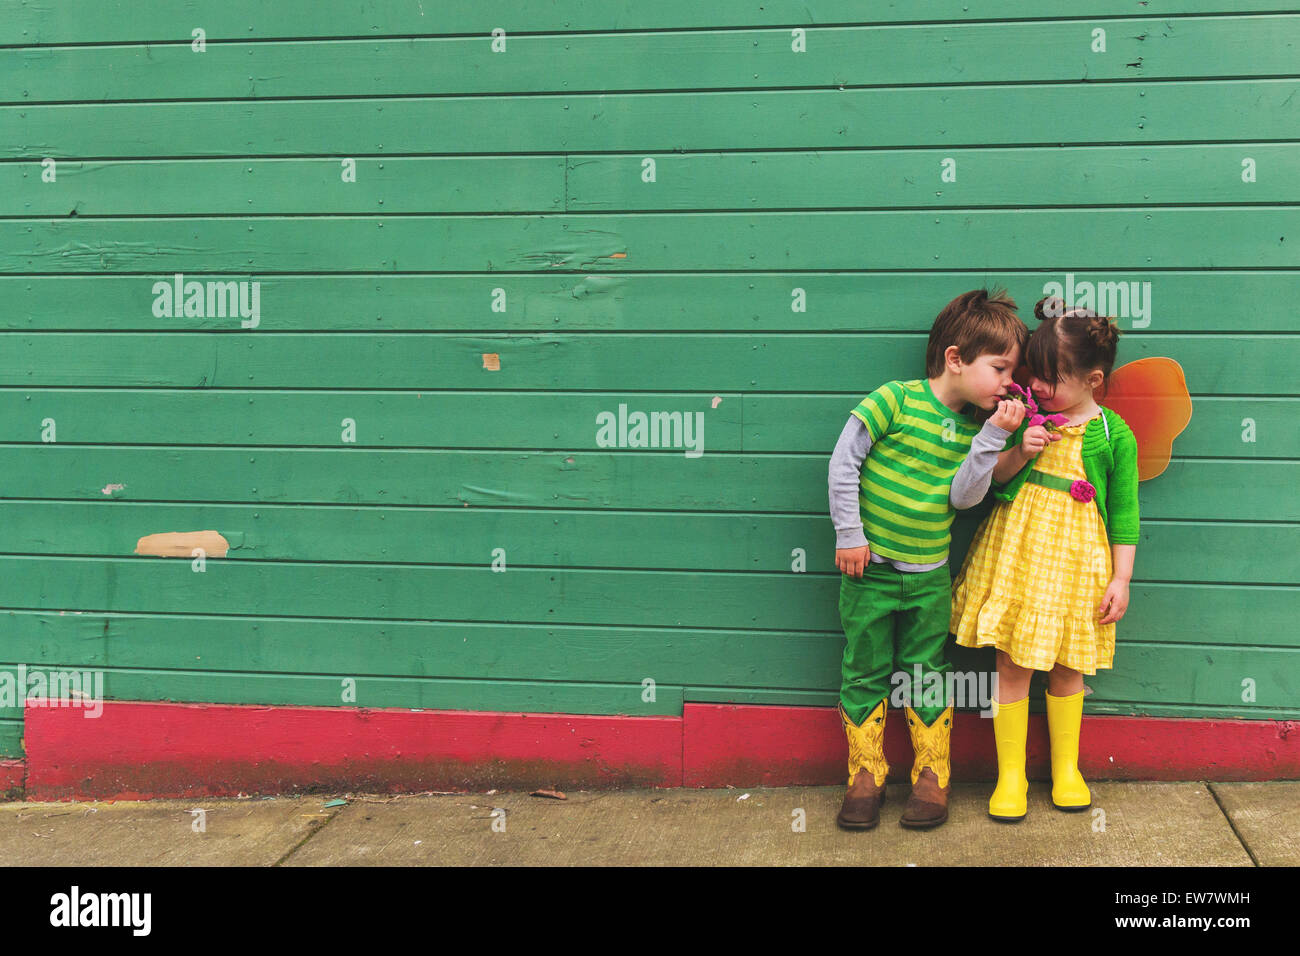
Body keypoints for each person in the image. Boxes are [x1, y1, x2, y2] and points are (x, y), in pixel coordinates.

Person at [828, 288, 1028, 830]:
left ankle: (931, 776)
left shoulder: (975, 429)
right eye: (1000, 368)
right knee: (864, 668)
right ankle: (864, 773)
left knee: (927, 674)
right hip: (867, 570)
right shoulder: (893, 399)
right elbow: (844, 463)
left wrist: (992, 440)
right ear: (956, 359)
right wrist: (850, 534)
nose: (1009, 383)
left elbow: (964, 499)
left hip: (929, 576)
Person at [950, 296, 1139, 822]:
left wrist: (1121, 578)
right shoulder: (1028, 421)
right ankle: (1010, 775)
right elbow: (996, 482)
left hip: (1080, 564)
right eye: (1034, 374)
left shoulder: (1111, 433)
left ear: (1093, 380)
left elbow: (1124, 512)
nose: (1035, 386)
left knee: (1068, 665)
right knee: (1011, 661)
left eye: (1051, 379)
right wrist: (1018, 450)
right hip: (1020, 558)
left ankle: (1066, 768)